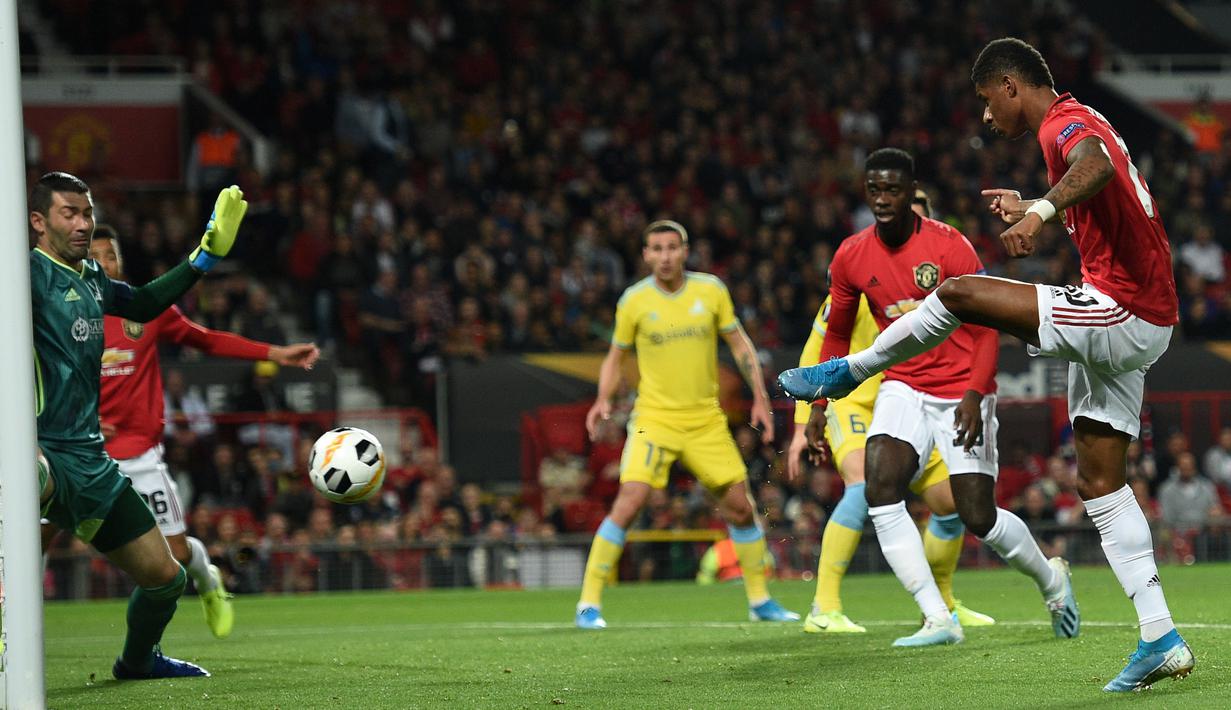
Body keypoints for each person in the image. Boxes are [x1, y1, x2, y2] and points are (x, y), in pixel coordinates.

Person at [780, 38, 1193, 691]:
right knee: (1099, 483)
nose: (983, 116)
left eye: (984, 100)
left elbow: (1093, 165)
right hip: (1143, 312)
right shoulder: (1079, 116)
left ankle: (852, 370)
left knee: (959, 293)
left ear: (1009, 85)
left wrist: (1040, 211)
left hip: (1124, 309)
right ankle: (1160, 637)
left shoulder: (1062, 125)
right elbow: (1103, 180)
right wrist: (1033, 201)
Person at [781, 148, 1077, 649]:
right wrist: (819, 407)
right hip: (901, 385)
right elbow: (836, 337)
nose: (882, 199)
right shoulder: (851, 255)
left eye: (892, 189)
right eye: (874, 190)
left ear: (910, 191)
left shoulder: (949, 246)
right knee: (879, 488)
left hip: (961, 389)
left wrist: (975, 393)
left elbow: (986, 328)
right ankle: (937, 617)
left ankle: (1053, 583)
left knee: (978, 516)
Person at [31, 172, 247, 679]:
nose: (83, 224)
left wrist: (203, 257)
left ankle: (136, 662)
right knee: (23, 490)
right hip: (40, 450)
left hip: (90, 461)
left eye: (87, 213)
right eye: (69, 214)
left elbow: (145, 304)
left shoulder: (90, 276)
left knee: (166, 577)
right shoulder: (24, 276)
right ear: (38, 222)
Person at [88, 225, 320, 639]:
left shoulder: (146, 307)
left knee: (174, 554)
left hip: (138, 456)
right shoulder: (63, 315)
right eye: (96, 256)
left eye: (112, 255)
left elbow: (207, 339)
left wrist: (275, 353)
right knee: (32, 538)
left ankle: (208, 579)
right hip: (83, 454)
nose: (106, 264)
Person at [786, 190, 995, 634]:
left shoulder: (942, 281)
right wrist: (805, 421)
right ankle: (823, 608)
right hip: (854, 401)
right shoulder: (863, 276)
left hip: (909, 399)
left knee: (951, 503)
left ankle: (943, 605)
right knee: (864, 486)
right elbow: (819, 347)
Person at [575, 219, 796, 629]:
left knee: (741, 507)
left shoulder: (710, 290)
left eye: (672, 248)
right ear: (646, 255)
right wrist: (602, 398)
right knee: (630, 500)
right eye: (657, 249)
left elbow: (740, 344)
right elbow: (614, 357)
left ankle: (760, 600)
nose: (665, 256)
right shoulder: (634, 300)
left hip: (704, 421)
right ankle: (588, 604)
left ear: (685, 251)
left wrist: (760, 396)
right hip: (653, 419)